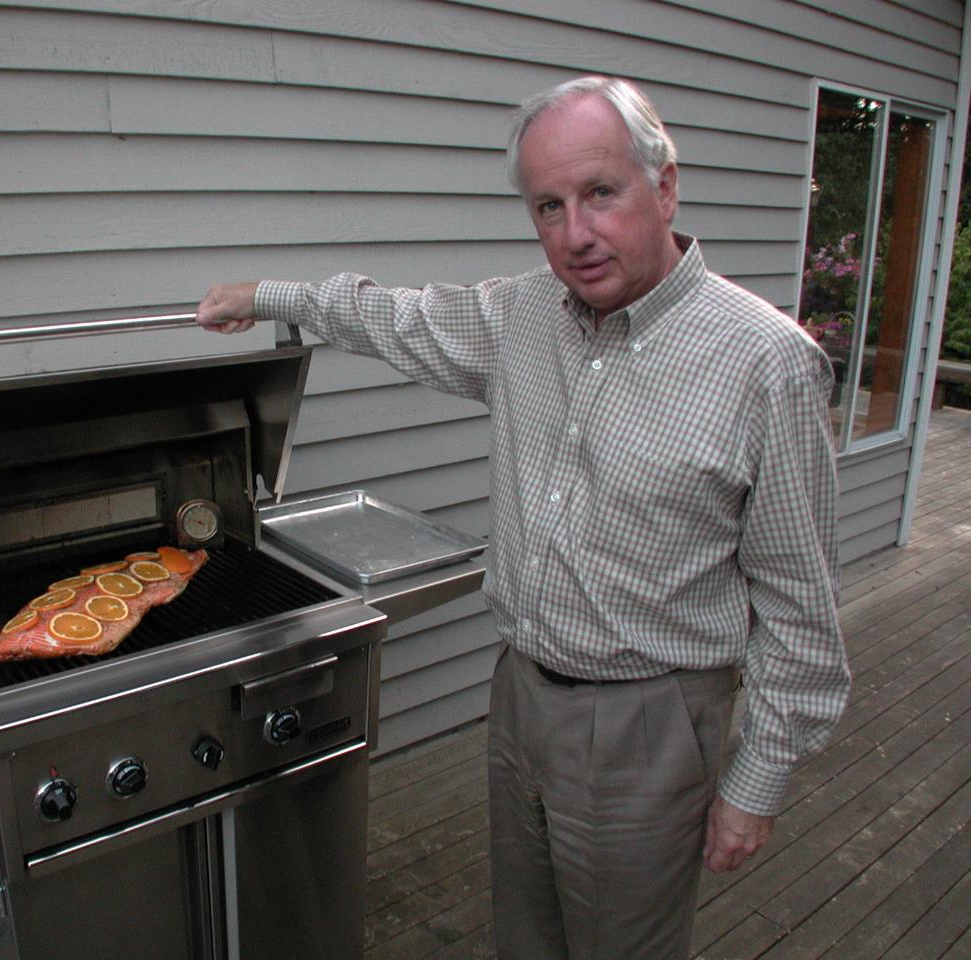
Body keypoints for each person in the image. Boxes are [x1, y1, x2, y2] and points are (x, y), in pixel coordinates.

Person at [196, 76, 849, 960]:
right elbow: (391, 316)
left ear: (664, 187)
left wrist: (756, 782)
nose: (575, 234)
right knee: (527, 939)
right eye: (548, 206)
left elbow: (799, 607)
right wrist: (268, 295)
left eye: (600, 193)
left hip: (649, 726)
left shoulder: (766, 365)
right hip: (522, 694)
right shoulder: (521, 316)